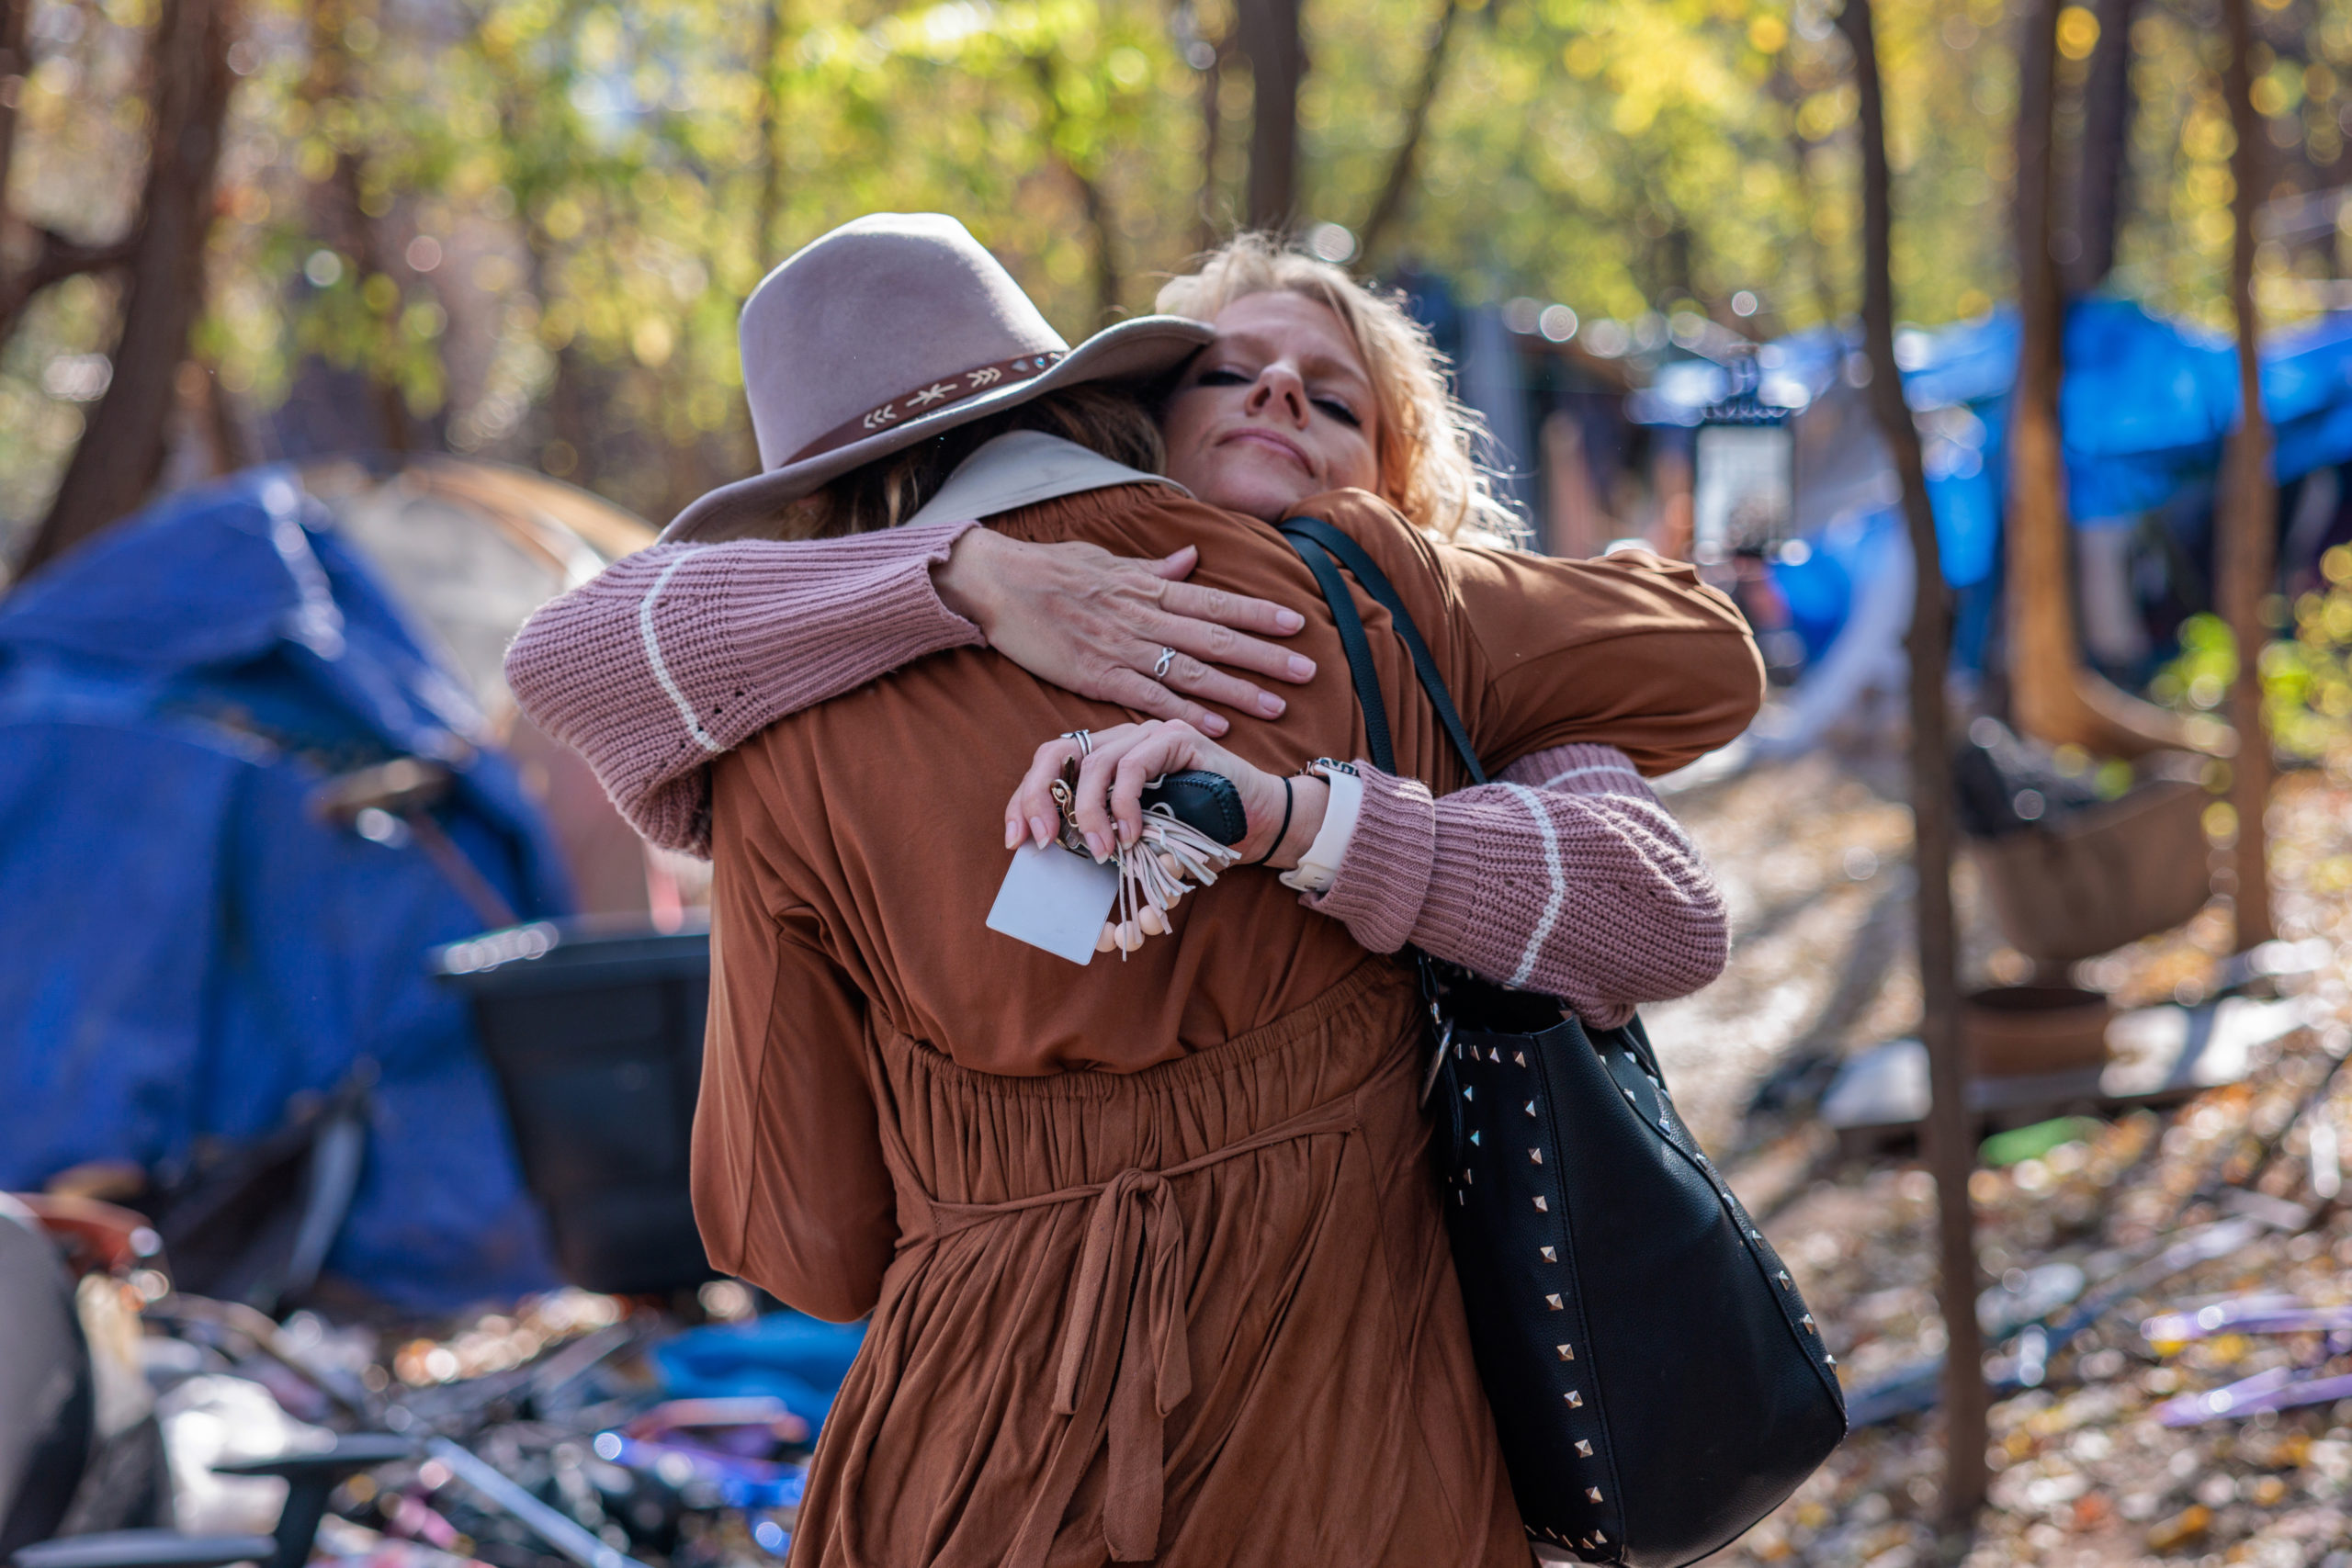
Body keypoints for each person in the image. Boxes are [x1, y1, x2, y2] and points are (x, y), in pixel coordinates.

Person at [508, 214, 1763, 1565]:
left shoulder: (776, 759)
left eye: (1333, 397)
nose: (1278, 402)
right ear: (1111, 402)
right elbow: (1706, 661)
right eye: (1233, 376)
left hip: (979, 1465)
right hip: (1351, 1447)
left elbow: (804, 1240)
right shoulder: (1386, 606)